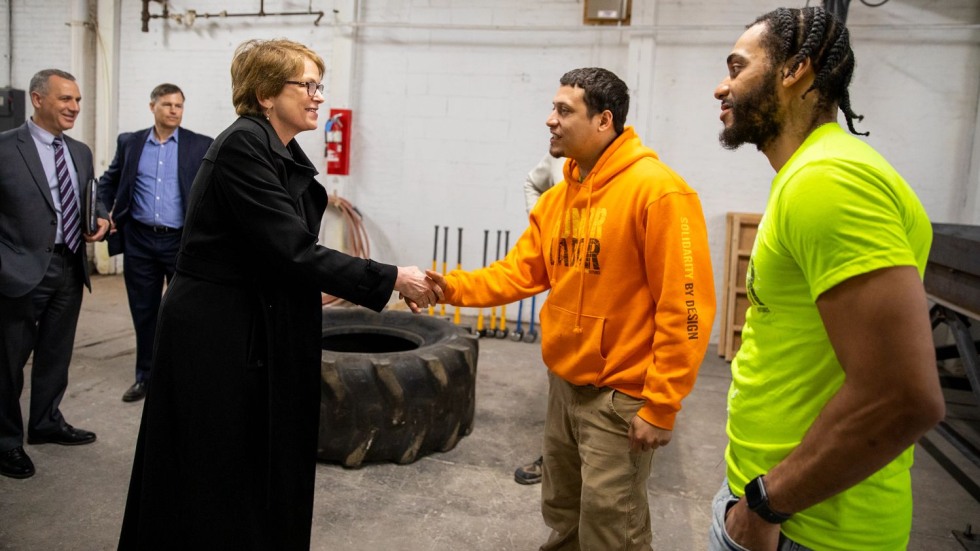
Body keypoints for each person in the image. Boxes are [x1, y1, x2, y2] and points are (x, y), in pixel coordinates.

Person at [118, 39, 441, 549]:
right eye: (306, 85)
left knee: (250, 460)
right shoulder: (243, 145)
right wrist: (392, 277)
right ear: (267, 93)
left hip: (251, 318)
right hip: (219, 331)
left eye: (319, 84)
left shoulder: (276, 147)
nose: (317, 97)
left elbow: (276, 249)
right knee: (216, 463)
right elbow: (291, 248)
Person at [429, 67, 715, 550]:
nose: (550, 120)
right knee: (563, 509)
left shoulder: (658, 191)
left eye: (564, 110)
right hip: (564, 384)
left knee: (611, 525)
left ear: (604, 120)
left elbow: (686, 306)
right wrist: (447, 288)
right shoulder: (557, 201)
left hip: (620, 394)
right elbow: (517, 273)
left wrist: (662, 404)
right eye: (552, 108)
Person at [708, 7, 945, 551]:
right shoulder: (811, 175)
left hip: (802, 527)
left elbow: (902, 395)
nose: (722, 87)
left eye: (737, 67)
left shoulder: (829, 182)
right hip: (778, 507)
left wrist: (765, 505)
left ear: (795, 71)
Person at [0, 69, 109, 479]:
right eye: (66, 99)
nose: (74, 108)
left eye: (78, 100)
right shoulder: (6, 148)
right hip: (18, 270)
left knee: (55, 354)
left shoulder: (79, 151)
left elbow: (87, 199)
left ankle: (45, 423)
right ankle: (6, 442)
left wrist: (100, 219)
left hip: (69, 265)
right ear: (37, 99)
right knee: (9, 362)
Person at [98, 83, 213, 403]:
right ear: (153, 107)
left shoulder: (199, 144)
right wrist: (102, 213)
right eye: (167, 105)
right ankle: (145, 377)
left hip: (181, 244)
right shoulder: (131, 143)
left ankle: (184, 377)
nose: (174, 110)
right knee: (144, 312)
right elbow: (108, 182)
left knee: (186, 313)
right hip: (140, 242)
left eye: (179, 105)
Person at [513, 153, 564, 486]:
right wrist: (541, 222)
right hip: (565, 295)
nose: (552, 120)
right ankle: (556, 459)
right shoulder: (560, 160)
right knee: (559, 382)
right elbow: (533, 181)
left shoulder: (635, 177)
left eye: (564, 110)